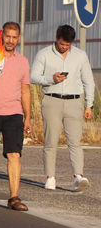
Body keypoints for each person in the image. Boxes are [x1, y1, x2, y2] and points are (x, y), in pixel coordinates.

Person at [31, 24, 96, 192]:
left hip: (75, 102)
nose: (64, 47)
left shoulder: (80, 56)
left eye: (67, 45)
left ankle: (78, 177)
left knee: (75, 142)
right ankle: (50, 177)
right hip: (52, 101)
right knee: (51, 141)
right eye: (62, 44)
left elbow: (88, 81)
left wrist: (89, 105)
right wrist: (51, 79)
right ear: (57, 38)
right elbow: (34, 76)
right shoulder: (44, 54)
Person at [0, 21, 31, 210]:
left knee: (14, 154)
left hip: (13, 113)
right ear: (2, 35)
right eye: (7, 36)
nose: (10, 40)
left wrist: (27, 116)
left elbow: (25, 90)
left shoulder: (23, 62)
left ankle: (14, 197)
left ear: (18, 39)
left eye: (14, 37)